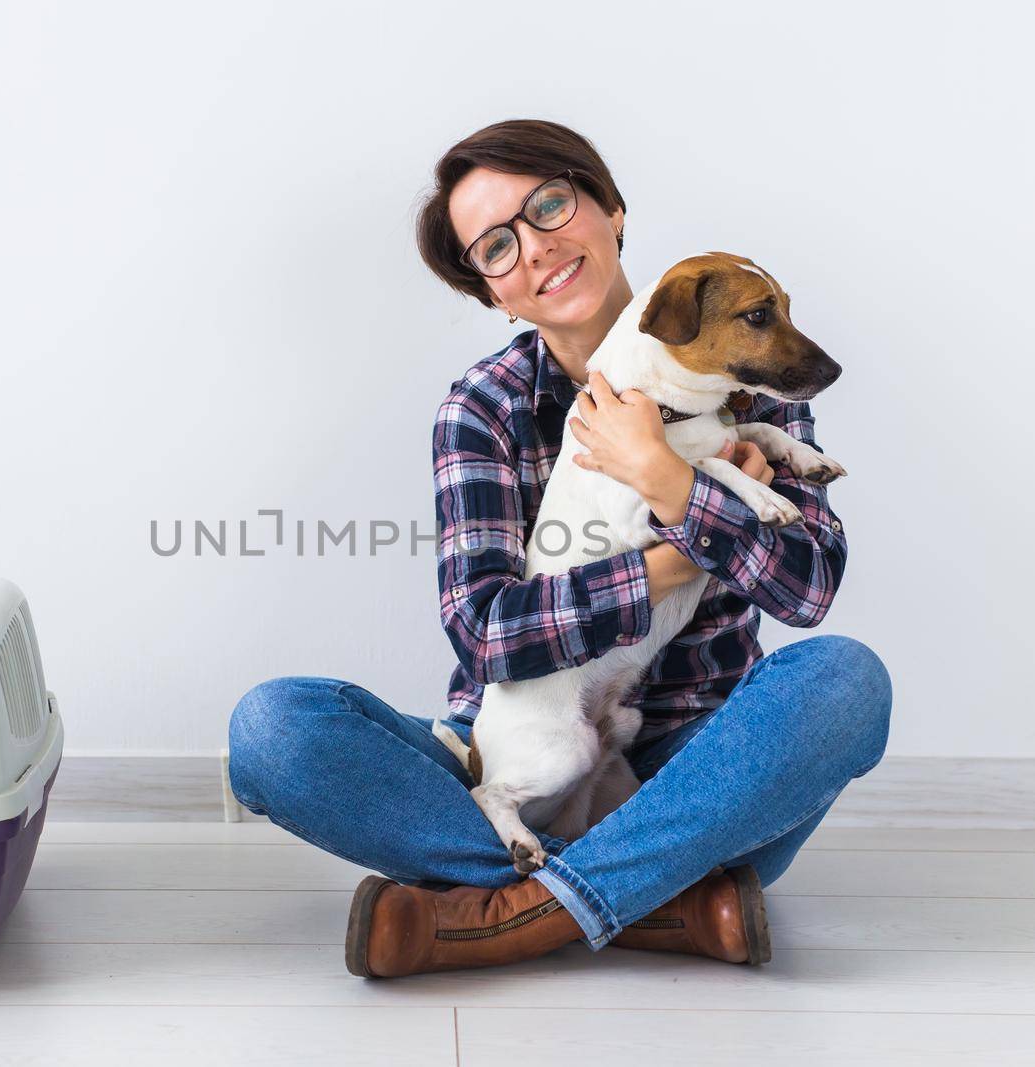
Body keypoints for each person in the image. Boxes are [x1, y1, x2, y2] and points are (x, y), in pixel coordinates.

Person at [226, 118, 892, 980]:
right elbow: (487, 634)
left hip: (695, 763)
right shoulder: (484, 407)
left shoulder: (742, 364)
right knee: (273, 728)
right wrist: (679, 551)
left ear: (612, 211)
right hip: (521, 730)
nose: (535, 249)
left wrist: (667, 479)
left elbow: (810, 590)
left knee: (845, 681)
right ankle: (668, 902)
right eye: (497, 248)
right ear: (494, 295)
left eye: (550, 205)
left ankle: (495, 913)